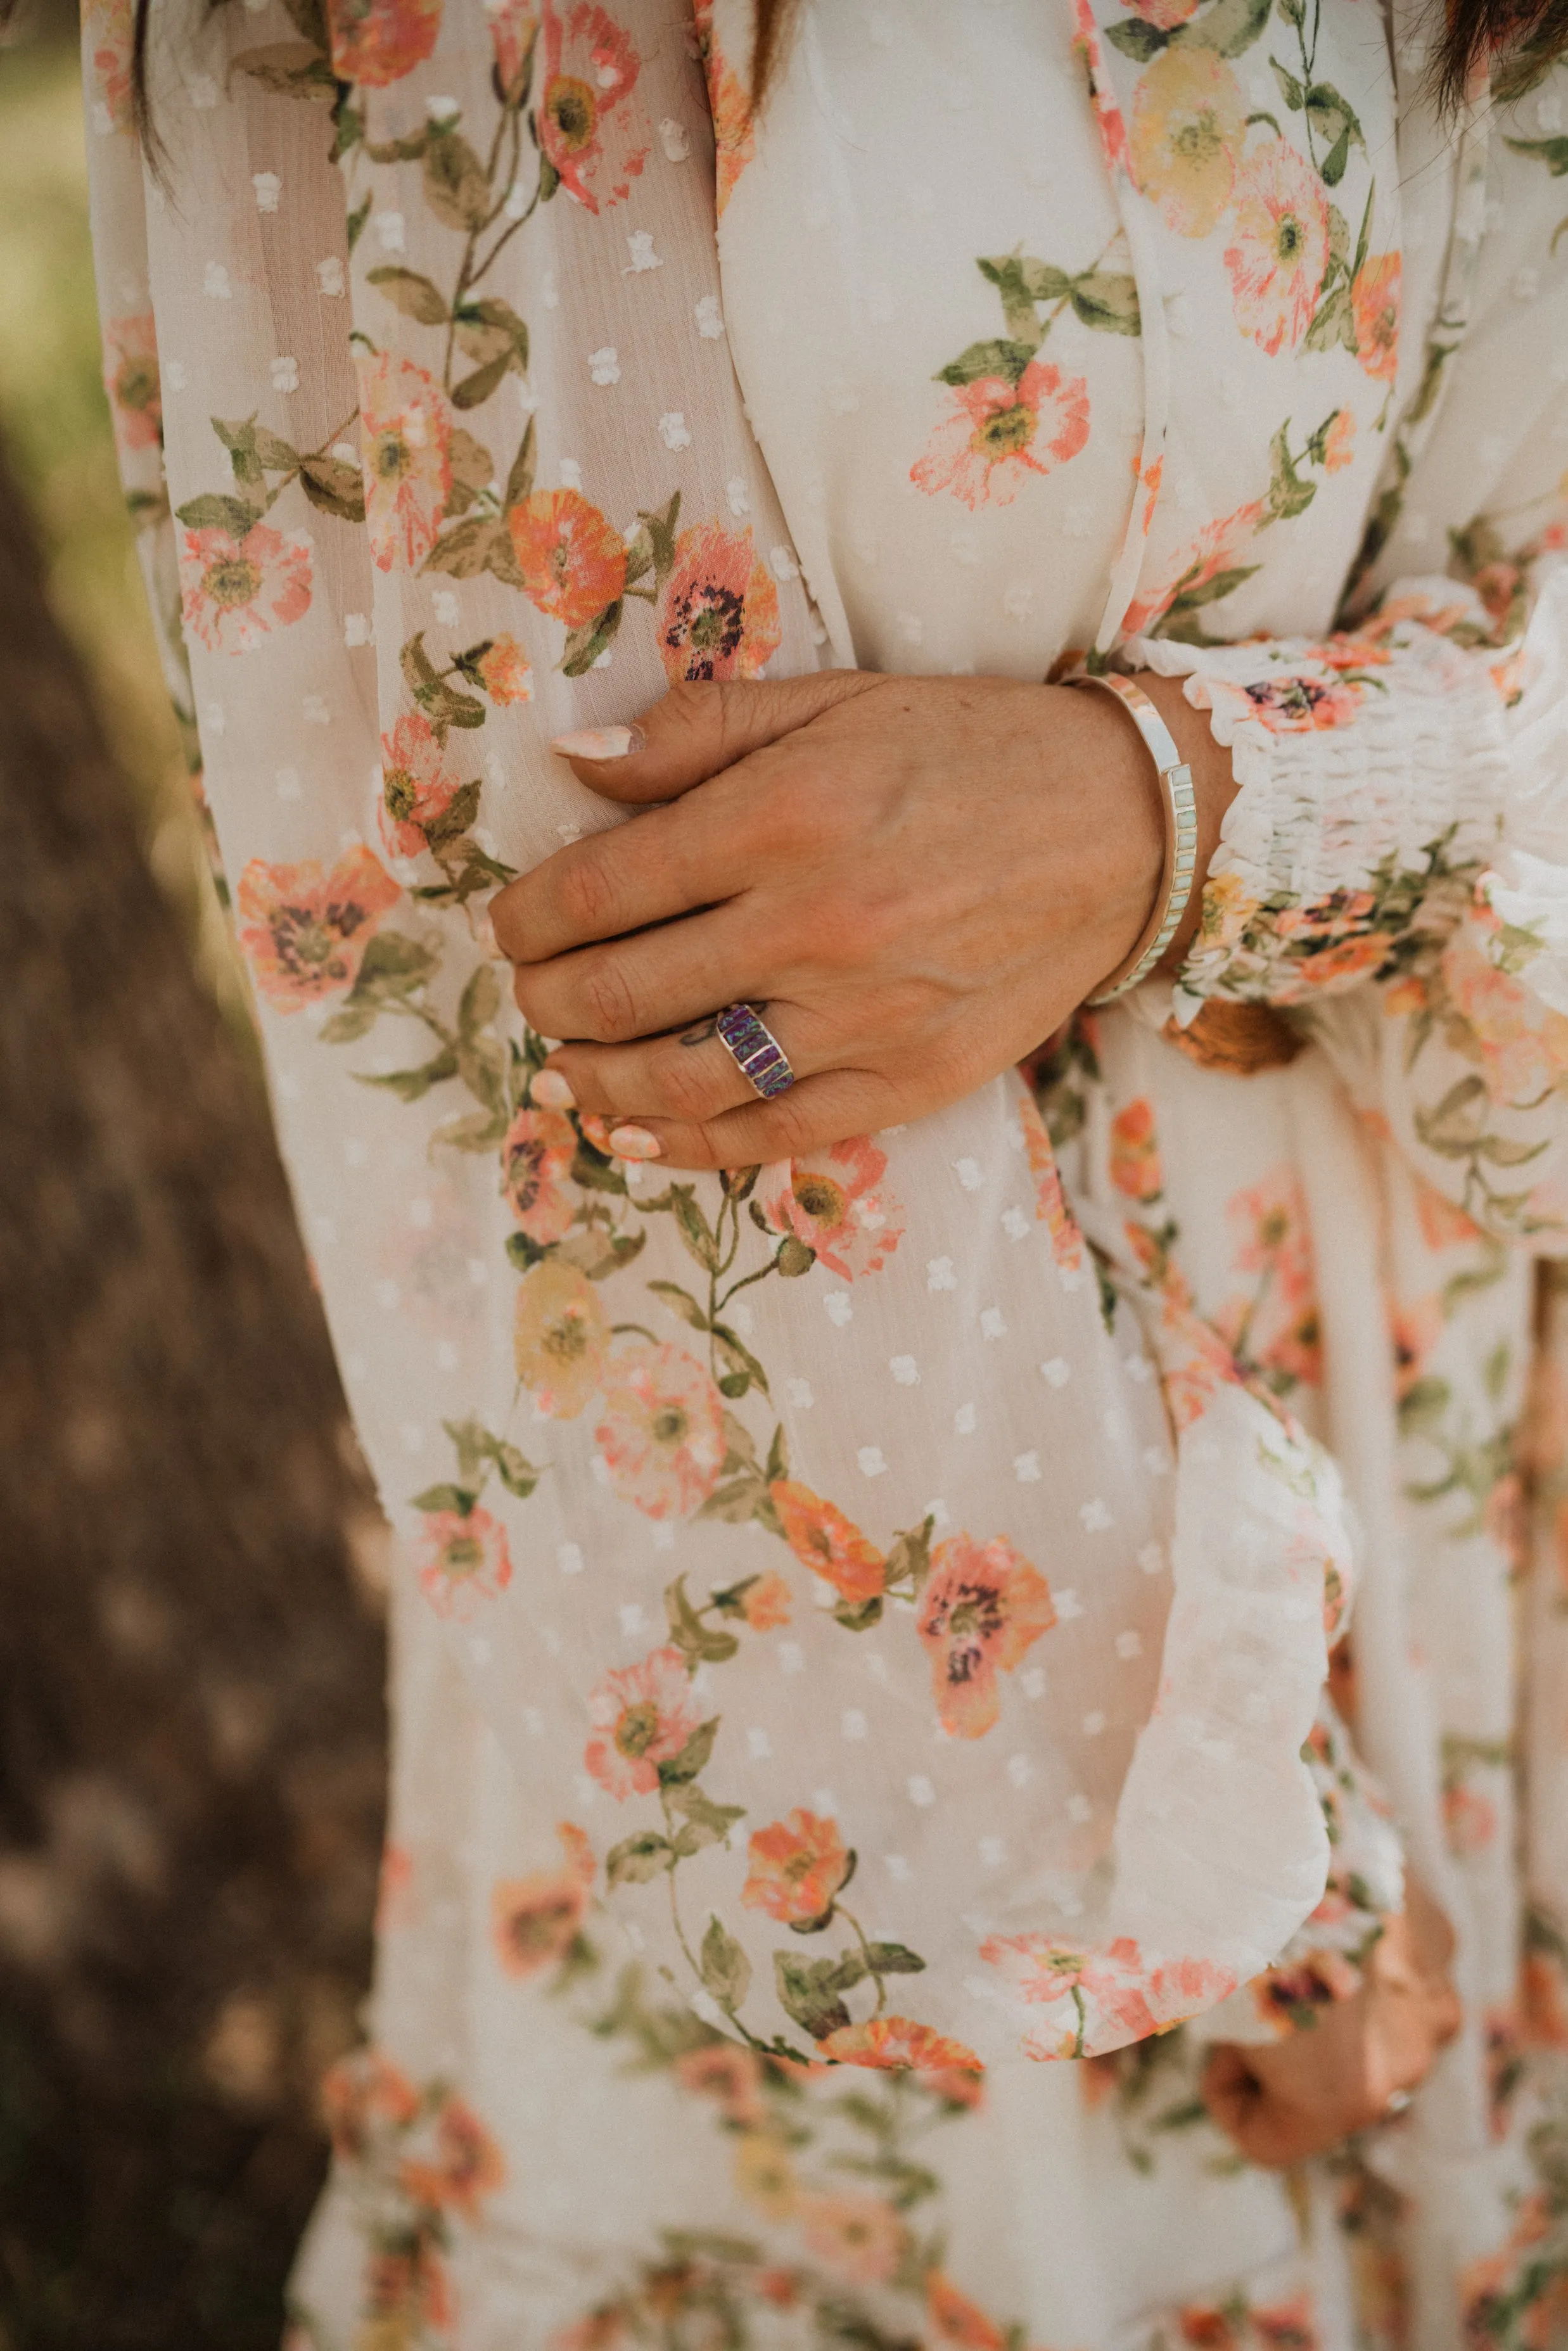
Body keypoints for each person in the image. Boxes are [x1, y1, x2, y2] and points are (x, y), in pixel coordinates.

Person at [78, 0, 1568, 2338]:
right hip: (891, 1579)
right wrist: (1209, 1818)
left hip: (1450, 1405)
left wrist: (1178, 813)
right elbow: (585, 959)